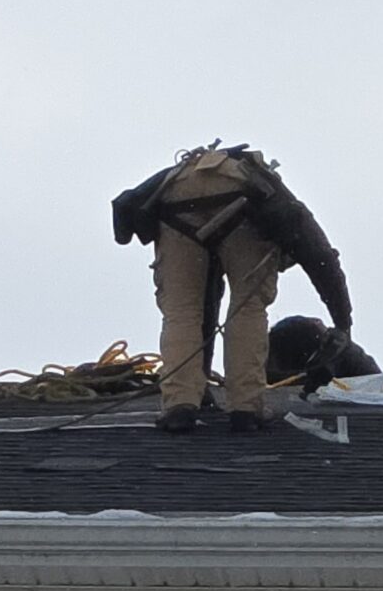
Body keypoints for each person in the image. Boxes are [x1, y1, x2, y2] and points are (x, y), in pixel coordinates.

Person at [112, 144, 356, 434]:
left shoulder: (272, 205)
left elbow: (204, 306)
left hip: (176, 199)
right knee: (248, 305)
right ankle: (246, 409)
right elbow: (323, 262)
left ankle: (179, 407)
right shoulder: (286, 214)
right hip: (240, 196)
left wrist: (194, 392)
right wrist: (343, 323)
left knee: (181, 312)